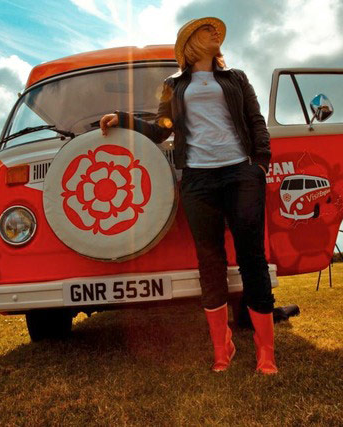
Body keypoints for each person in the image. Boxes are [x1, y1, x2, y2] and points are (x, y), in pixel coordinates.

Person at [99, 17, 277, 374]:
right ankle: (221, 349)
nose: (216, 34)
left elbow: (255, 120)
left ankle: (266, 353)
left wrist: (259, 165)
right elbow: (162, 128)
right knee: (209, 262)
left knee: (252, 259)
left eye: (217, 32)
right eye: (206, 31)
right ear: (190, 44)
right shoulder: (174, 86)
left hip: (240, 172)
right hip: (198, 179)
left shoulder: (236, 78)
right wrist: (124, 119)